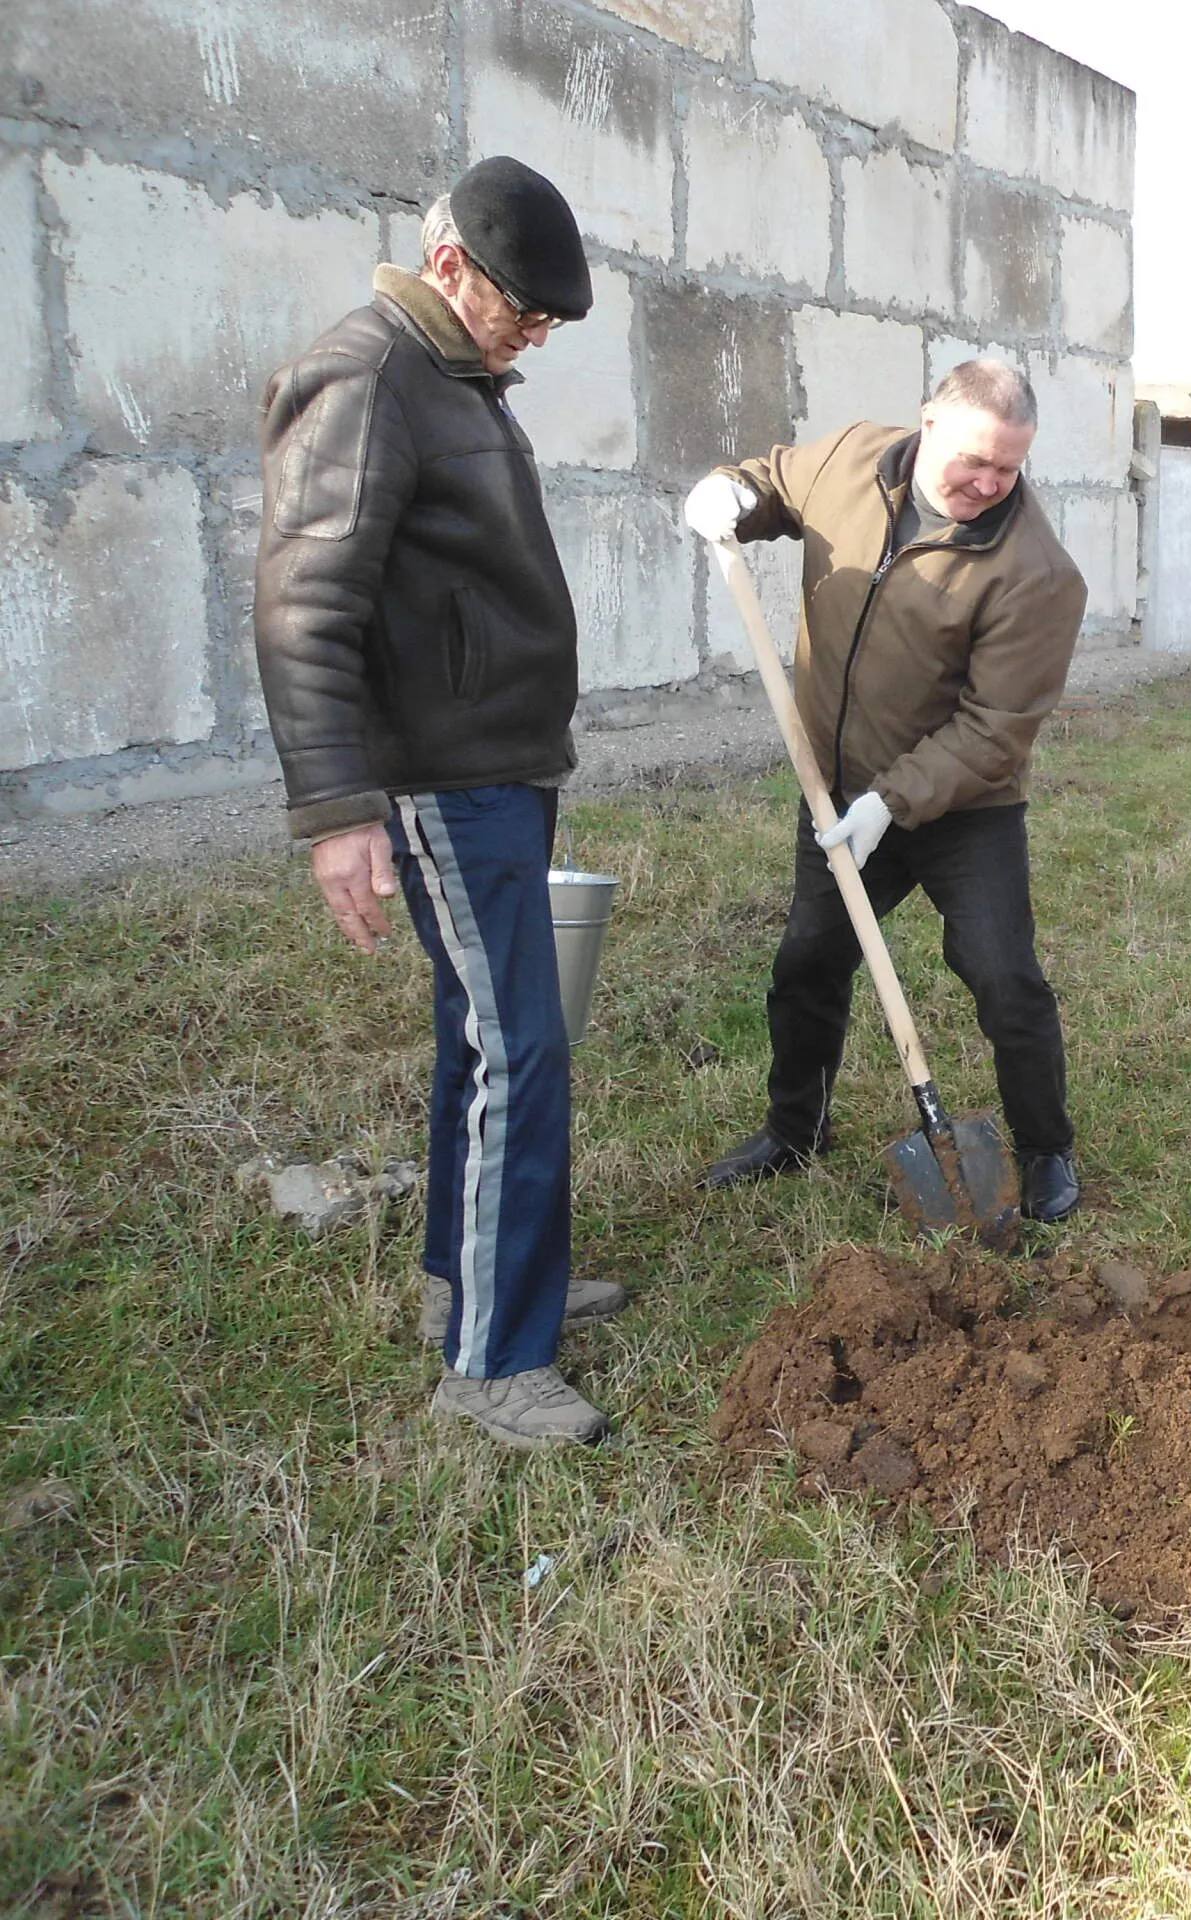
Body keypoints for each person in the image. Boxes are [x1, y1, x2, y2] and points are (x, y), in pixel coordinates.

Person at [254, 156, 625, 1448]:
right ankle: (493, 1361)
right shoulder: (369, 375)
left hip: (498, 764)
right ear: (449, 261)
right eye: (522, 310)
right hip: (441, 779)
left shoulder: (452, 374)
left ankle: (477, 1278)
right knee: (522, 1048)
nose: (532, 337)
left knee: (482, 1039)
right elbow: (307, 601)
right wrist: (337, 808)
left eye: (546, 327)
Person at [688, 361, 1088, 1223]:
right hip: (835, 792)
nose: (988, 484)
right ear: (928, 423)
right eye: (975, 460)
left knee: (1002, 975)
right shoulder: (851, 462)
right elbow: (775, 481)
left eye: (1009, 468)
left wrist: (889, 804)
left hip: (963, 808)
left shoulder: (1035, 572)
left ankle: (1047, 1146)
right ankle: (795, 1129)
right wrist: (731, 493)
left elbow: (996, 729)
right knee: (808, 962)